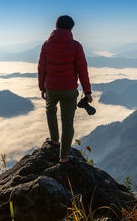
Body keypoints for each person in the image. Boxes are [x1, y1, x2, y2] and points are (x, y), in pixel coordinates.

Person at [38, 15, 92, 163]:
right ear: (71, 28)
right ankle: (64, 158)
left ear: (56, 26)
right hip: (69, 90)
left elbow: (41, 68)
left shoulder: (46, 45)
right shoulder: (76, 46)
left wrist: (42, 87)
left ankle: (55, 140)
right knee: (68, 122)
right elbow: (82, 71)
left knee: (50, 111)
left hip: (51, 88)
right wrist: (87, 92)